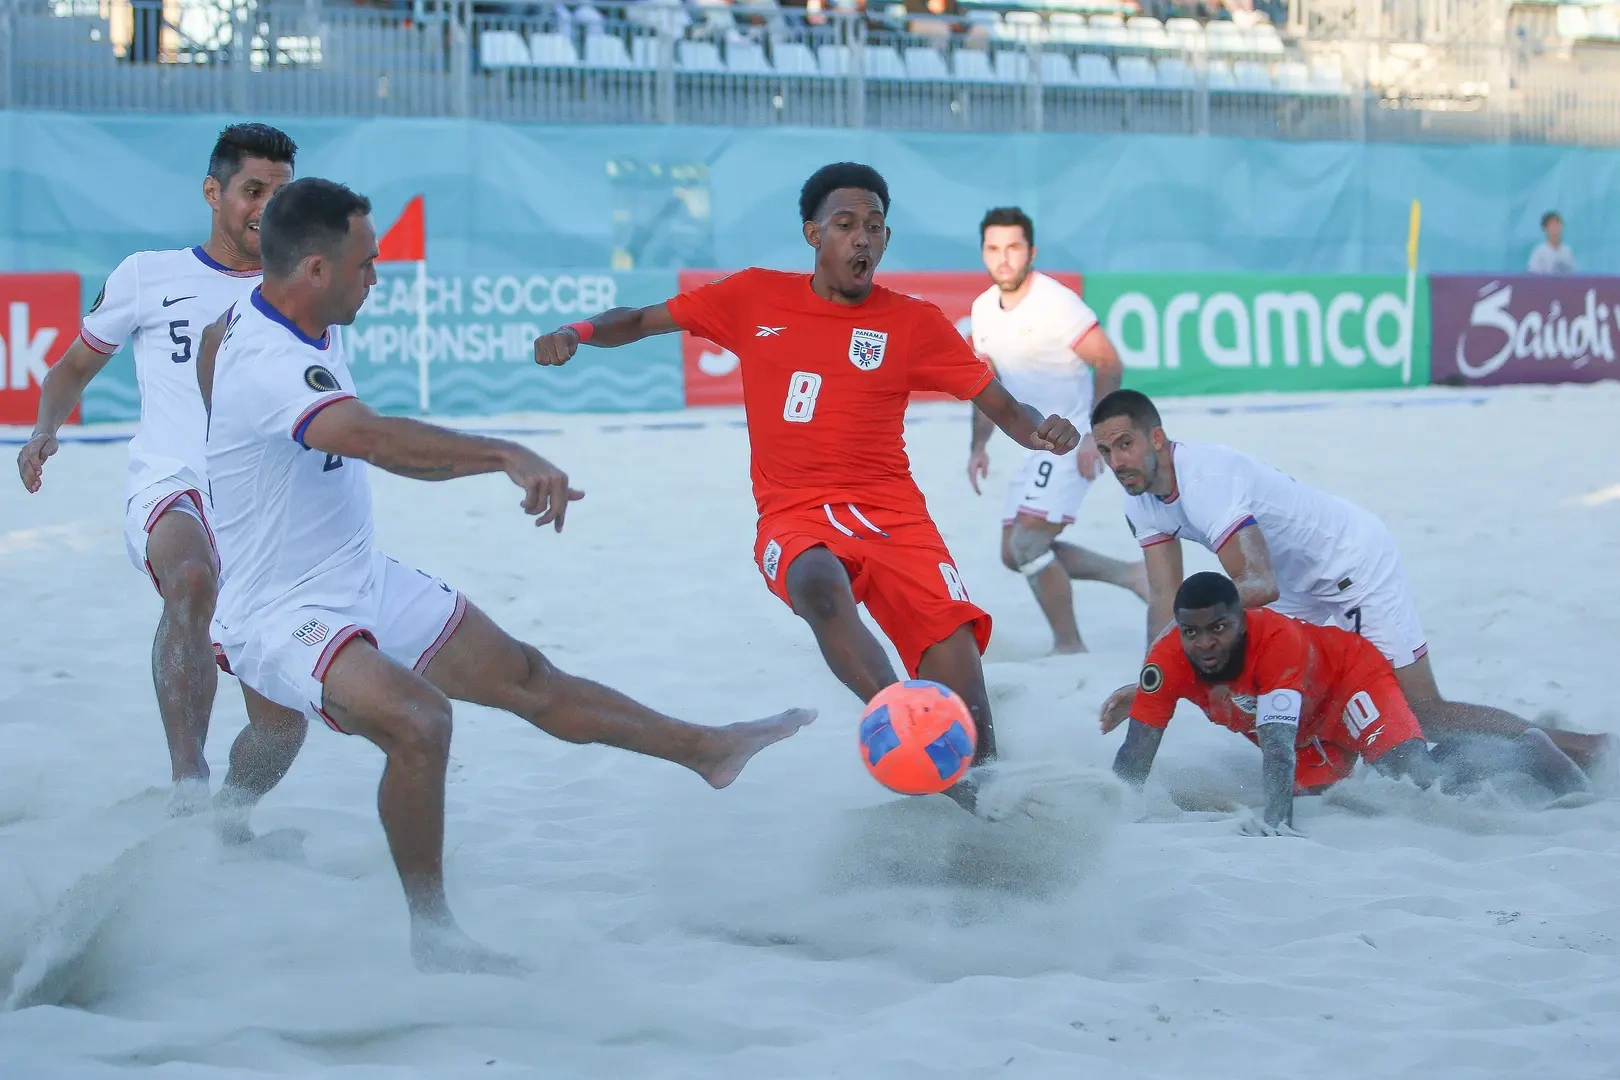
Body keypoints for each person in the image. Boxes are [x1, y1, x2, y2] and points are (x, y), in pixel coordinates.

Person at [201, 177, 814, 973]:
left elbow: (314, 413)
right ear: (315, 269)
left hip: (356, 574)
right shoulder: (270, 358)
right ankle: (434, 937)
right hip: (282, 608)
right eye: (367, 264)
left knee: (527, 674)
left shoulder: (283, 313)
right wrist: (501, 452)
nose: (377, 278)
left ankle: (706, 750)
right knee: (419, 724)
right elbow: (373, 438)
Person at [532, 163, 1081, 806]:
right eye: (846, 225)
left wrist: (1044, 430)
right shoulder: (753, 297)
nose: (863, 240)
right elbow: (645, 319)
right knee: (820, 585)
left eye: (875, 227)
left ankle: (989, 804)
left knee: (962, 682)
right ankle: (898, 719)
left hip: (893, 514)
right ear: (812, 234)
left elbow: (1009, 411)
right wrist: (577, 332)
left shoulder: (914, 323)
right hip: (794, 513)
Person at [1087, 388, 1611, 775]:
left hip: (1351, 562)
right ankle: (1366, 773)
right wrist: (1151, 680)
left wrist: (1182, 649)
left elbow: (1258, 584)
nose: (1117, 461)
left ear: (1157, 437)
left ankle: (1585, 748)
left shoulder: (1206, 481)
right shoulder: (1140, 501)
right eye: (1107, 451)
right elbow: (1162, 599)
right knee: (1300, 696)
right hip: (1295, 588)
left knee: (1423, 711)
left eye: (1126, 444)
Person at [15, 123, 304, 816]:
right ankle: (188, 788)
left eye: (282, 193)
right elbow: (72, 367)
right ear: (214, 192)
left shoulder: (299, 291)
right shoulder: (149, 274)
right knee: (191, 579)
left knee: (284, 721)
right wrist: (44, 430)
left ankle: (227, 824)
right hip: (170, 483)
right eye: (252, 190)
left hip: (259, 508)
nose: (266, 206)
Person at [1104, 573, 1589, 834]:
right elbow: (1136, 752)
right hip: (1304, 729)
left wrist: (1276, 828)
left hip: (1349, 683)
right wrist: (1114, 816)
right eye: (1192, 632)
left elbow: (1274, 744)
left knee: (1421, 781)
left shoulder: (1275, 642)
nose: (1205, 643)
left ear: (1242, 620)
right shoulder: (1168, 661)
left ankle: (1527, 749)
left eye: (1219, 628)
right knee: (1332, 798)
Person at [967, 206, 1146, 654]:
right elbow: (985, 387)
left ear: (1031, 251)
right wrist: (978, 447)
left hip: (1071, 442)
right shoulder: (982, 309)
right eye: (993, 248)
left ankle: (1069, 646)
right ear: (983, 253)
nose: (1003, 258)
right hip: (1034, 445)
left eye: (1013, 247)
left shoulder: (1055, 301)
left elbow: (1108, 362)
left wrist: (1096, 435)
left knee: (1027, 544)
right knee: (1014, 553)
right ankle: (1132, 575)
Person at [1528, 211, 1577, 275]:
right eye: (1552, 224)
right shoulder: (1539, 252)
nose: (1555, 227)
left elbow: (1574, 275)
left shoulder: (1567, 251)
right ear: (1545, 228)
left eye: (1558, 223)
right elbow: (1532, 276)